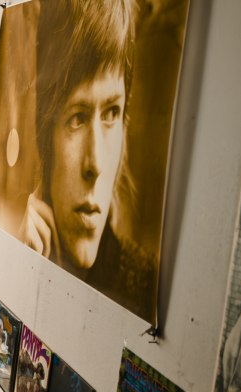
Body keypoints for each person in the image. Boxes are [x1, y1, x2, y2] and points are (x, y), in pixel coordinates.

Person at [21, 0, 152, 302]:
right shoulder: (21, 242)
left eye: (111, 113)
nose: (96, 164)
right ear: (45, 138)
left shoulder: (144, 284)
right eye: (77, 118)